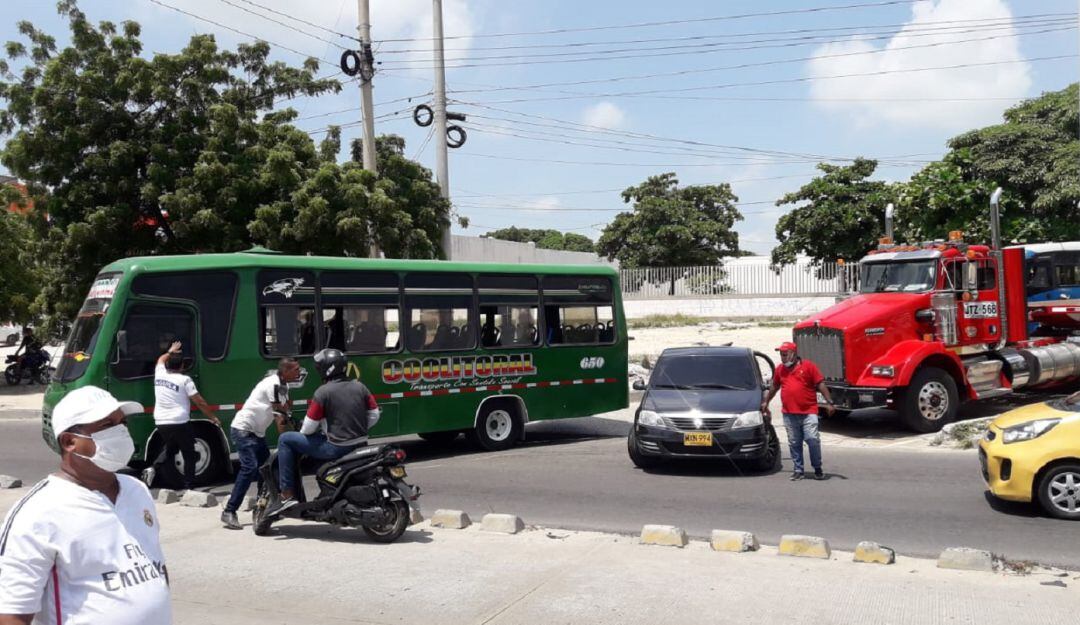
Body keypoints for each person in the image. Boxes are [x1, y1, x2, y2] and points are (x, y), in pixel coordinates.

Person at [0, 386, 172, 625]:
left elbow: (153, 567)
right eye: (106, 425)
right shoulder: (38, 512)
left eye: (122, 423)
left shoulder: (136, 490)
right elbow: (12, 614)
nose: (121, 432)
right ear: (70, 441)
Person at [266, 348, 380, 517]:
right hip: (360, 444)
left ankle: (286, 495)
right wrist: (356, 428)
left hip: (336, 447)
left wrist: (314, 429)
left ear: (326, 368)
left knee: (285, 439)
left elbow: (308, 428)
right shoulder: (359, 386)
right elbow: (374, 414)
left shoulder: (324, 392)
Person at [220, 358, 301, 530]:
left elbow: (286, 412)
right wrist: (287, 442)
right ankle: (229, 511)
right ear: (285, 371)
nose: (299, 372)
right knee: (249, 468)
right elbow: (280, 415)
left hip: (257, 433)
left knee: (267, 470)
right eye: (295, 369)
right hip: (243, 430)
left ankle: (261, 507)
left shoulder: (283, 386)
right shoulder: (273, 384)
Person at [141, 341, 220, 490]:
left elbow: (160, 360)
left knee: (171, 448)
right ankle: (189, 486)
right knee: (189, 453)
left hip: (161, 421)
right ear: (182, 366)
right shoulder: (185, 380)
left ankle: (152, 469)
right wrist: (212, 417)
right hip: (179, 421)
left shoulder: (159, 374)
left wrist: (170, 351)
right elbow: (199, 401)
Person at [762, 341, 836, 481]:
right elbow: (774, 386)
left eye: (785, 354)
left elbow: (820, 384)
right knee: (794, 442)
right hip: (789, 413)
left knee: (812, 439)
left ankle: (817, 468)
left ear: (793, 354)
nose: (783, 357)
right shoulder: (780, 370)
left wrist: (829, 402)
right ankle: (798, 469)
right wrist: (766, 401)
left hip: (809, 412)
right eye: (781, 354)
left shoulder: (808, 366)